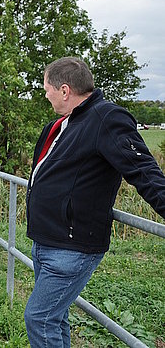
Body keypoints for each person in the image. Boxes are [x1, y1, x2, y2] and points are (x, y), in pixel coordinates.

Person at [24, 57, 165, 347]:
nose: (45, 94)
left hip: (71, 246)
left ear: (64, 91)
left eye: (47, 88)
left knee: (39, 317)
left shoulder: (106, 119)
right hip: (47, 240)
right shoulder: (65, 123)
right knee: (55, 317)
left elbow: (144, 172)